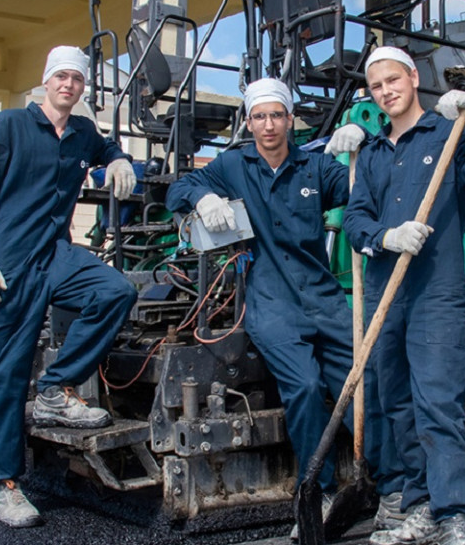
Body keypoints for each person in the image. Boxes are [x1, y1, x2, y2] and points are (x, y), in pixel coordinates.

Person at [164, 78, 402, 537]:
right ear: (249, 122)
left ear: (291, 120)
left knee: (365, 383)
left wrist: (365, 143)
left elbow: (368, 183)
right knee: (307, 387)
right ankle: (320, 491)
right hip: (271, 303)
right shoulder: (234, 165)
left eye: (277, 115)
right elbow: (181, 187)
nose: (269, 125)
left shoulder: (315, 168)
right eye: (260, 117)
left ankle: (387, 487)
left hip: (324, 299)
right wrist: (203, 195)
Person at [0, 45, 139, 529]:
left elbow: (105, 150)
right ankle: (4, 485)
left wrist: (118, 160)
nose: (68, 85)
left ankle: (57, 387)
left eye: (76, 80)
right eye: (60, 77)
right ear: (45, 82)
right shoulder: (9, 127)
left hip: (55, 254)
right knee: (5, 373)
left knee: (115, 291)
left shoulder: (82, 132)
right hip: (10, 265)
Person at [327, 47, 465, 545]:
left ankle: (456, 516)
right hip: (384, 292)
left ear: (413, 78)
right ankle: (418, 508)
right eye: (377, 86)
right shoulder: (372, 154)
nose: (386, 91)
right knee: (397, 404)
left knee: (437, 404)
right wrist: (385, 236)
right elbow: (356, 219)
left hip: (436, 292)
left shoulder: (447, 135)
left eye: (393, 80)